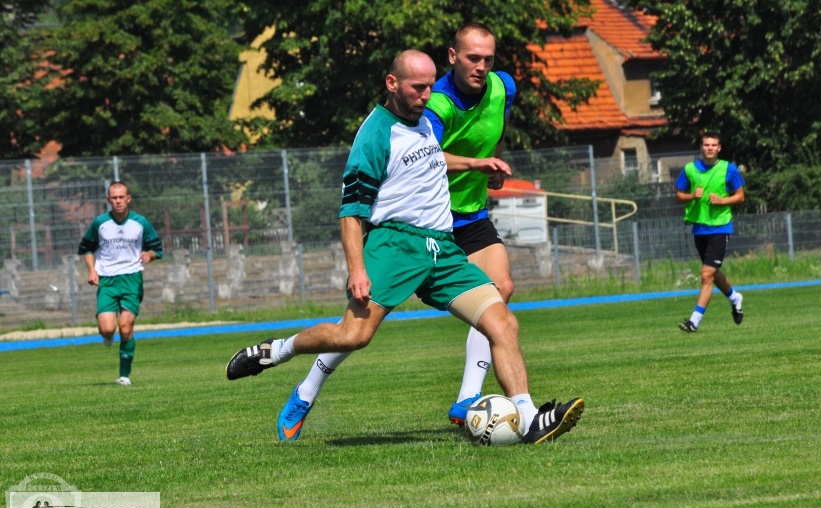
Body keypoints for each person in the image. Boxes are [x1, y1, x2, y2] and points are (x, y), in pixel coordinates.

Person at [226, 50, 584, 444]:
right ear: (392, 83)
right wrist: (357, 269)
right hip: (395, 245)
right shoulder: (375, 134)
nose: (426, 95)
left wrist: (475, 164)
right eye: (418, 87)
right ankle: (278, 351)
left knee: (502, 321)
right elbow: (351, 211)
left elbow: (432, 160)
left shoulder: (422, 121)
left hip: (442, 248)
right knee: (353, 336)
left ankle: (530, 420)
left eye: (430, 86)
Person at [293, 22, 518, 427]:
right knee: (357, 330)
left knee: (500, 291)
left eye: (488, 58)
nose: (482, 66)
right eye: (473, 58)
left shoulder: (503, 87)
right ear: (453, 57)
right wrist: (473, 164)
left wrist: (494, 165)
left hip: (469, 214)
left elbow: (496, 129)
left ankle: (468, 399)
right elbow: (423, 154)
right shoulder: (434, 105)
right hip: (415, 224)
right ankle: (307, 387)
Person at [78, 181, 163, 385]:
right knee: (108, 329)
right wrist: (91, 270)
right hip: (107, 280)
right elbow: (86, 248)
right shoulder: (100, 223)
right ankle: (107, 335)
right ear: (108, 200)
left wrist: (149, 255)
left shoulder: (140, 222)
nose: (118, 201)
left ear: (128, 198)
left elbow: (157, 250)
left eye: (121, 197)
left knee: (125, 328)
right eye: (114, 198)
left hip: (132, 279)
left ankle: (124, 376)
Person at [675, 132, 745, 332]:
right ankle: (735, 298)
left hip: (720, 227)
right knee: (712, 273)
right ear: (701, 147)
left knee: (706, 274)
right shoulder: (690, 169)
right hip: (699, 228)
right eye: (706, 145)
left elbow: (740, 197)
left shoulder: (728, 169)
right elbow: (678, 196)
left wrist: (723, 200)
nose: (710, 148)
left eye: (713, 145)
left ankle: (694, 321)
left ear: (719, 148)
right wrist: (691, 196)